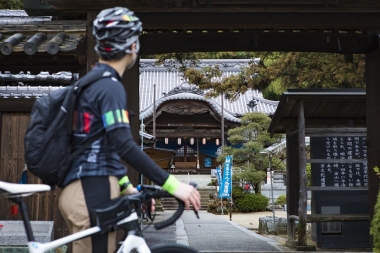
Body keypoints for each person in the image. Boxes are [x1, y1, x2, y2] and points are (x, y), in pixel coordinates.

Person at [58, 7, 201, 253]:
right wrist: (173, 185)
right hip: (93, 190)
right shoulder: (109, 86)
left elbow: (99, 144)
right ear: (132, 45)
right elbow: (124, 143)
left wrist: (125, 185)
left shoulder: (90, 83)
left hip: (83, 188)